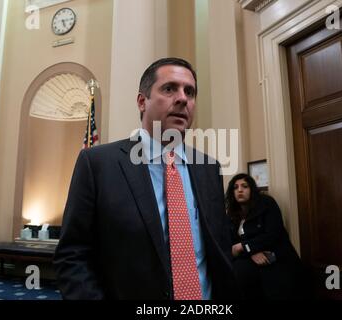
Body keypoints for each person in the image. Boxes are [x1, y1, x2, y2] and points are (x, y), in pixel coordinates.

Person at [53, 57, 237, 300]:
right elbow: (72, 255)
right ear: (142, 101)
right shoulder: (98, 164)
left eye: (189, 92)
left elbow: (218, 250)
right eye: (169, 88)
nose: (182, 98)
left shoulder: (209, 168)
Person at [226, 173, 306, 300]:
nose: (239, 190)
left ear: (252, 189)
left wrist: (245, 246)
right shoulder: (232, 214)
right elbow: (231, 244)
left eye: (244, 186)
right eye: (235, 187)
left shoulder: (266, 203)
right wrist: (251, 252)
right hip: (251, 261)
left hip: (277, 259)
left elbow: (273, 234)